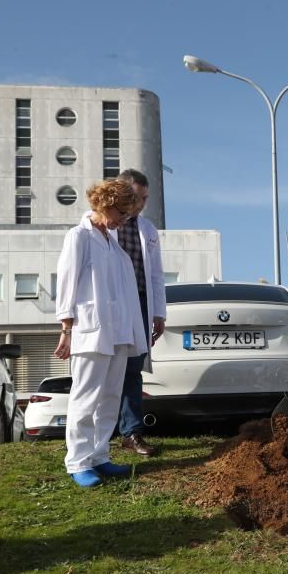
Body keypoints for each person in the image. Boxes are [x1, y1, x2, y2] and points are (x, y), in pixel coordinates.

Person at [54, 180, 149, 488]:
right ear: (106, 204)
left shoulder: (112, 242)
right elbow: (67, 283)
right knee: (86, 397)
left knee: (109, 397)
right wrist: (66, 328)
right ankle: (78, 462)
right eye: (122, 212)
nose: (124, 219)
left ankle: (99, 456)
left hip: (118, 331)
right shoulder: (78, 236)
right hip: (89, 329)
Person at [114, 169, 166, 457]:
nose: (142, 203)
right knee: (108, 368)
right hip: (112, 304)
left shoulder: (147, 230)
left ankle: (131, 432)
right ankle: (97, 433)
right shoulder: (102, 226)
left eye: (146, 198)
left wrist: (158, 313)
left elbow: (156, 275)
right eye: (138, 197)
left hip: (141, 302)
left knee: (133, 368)